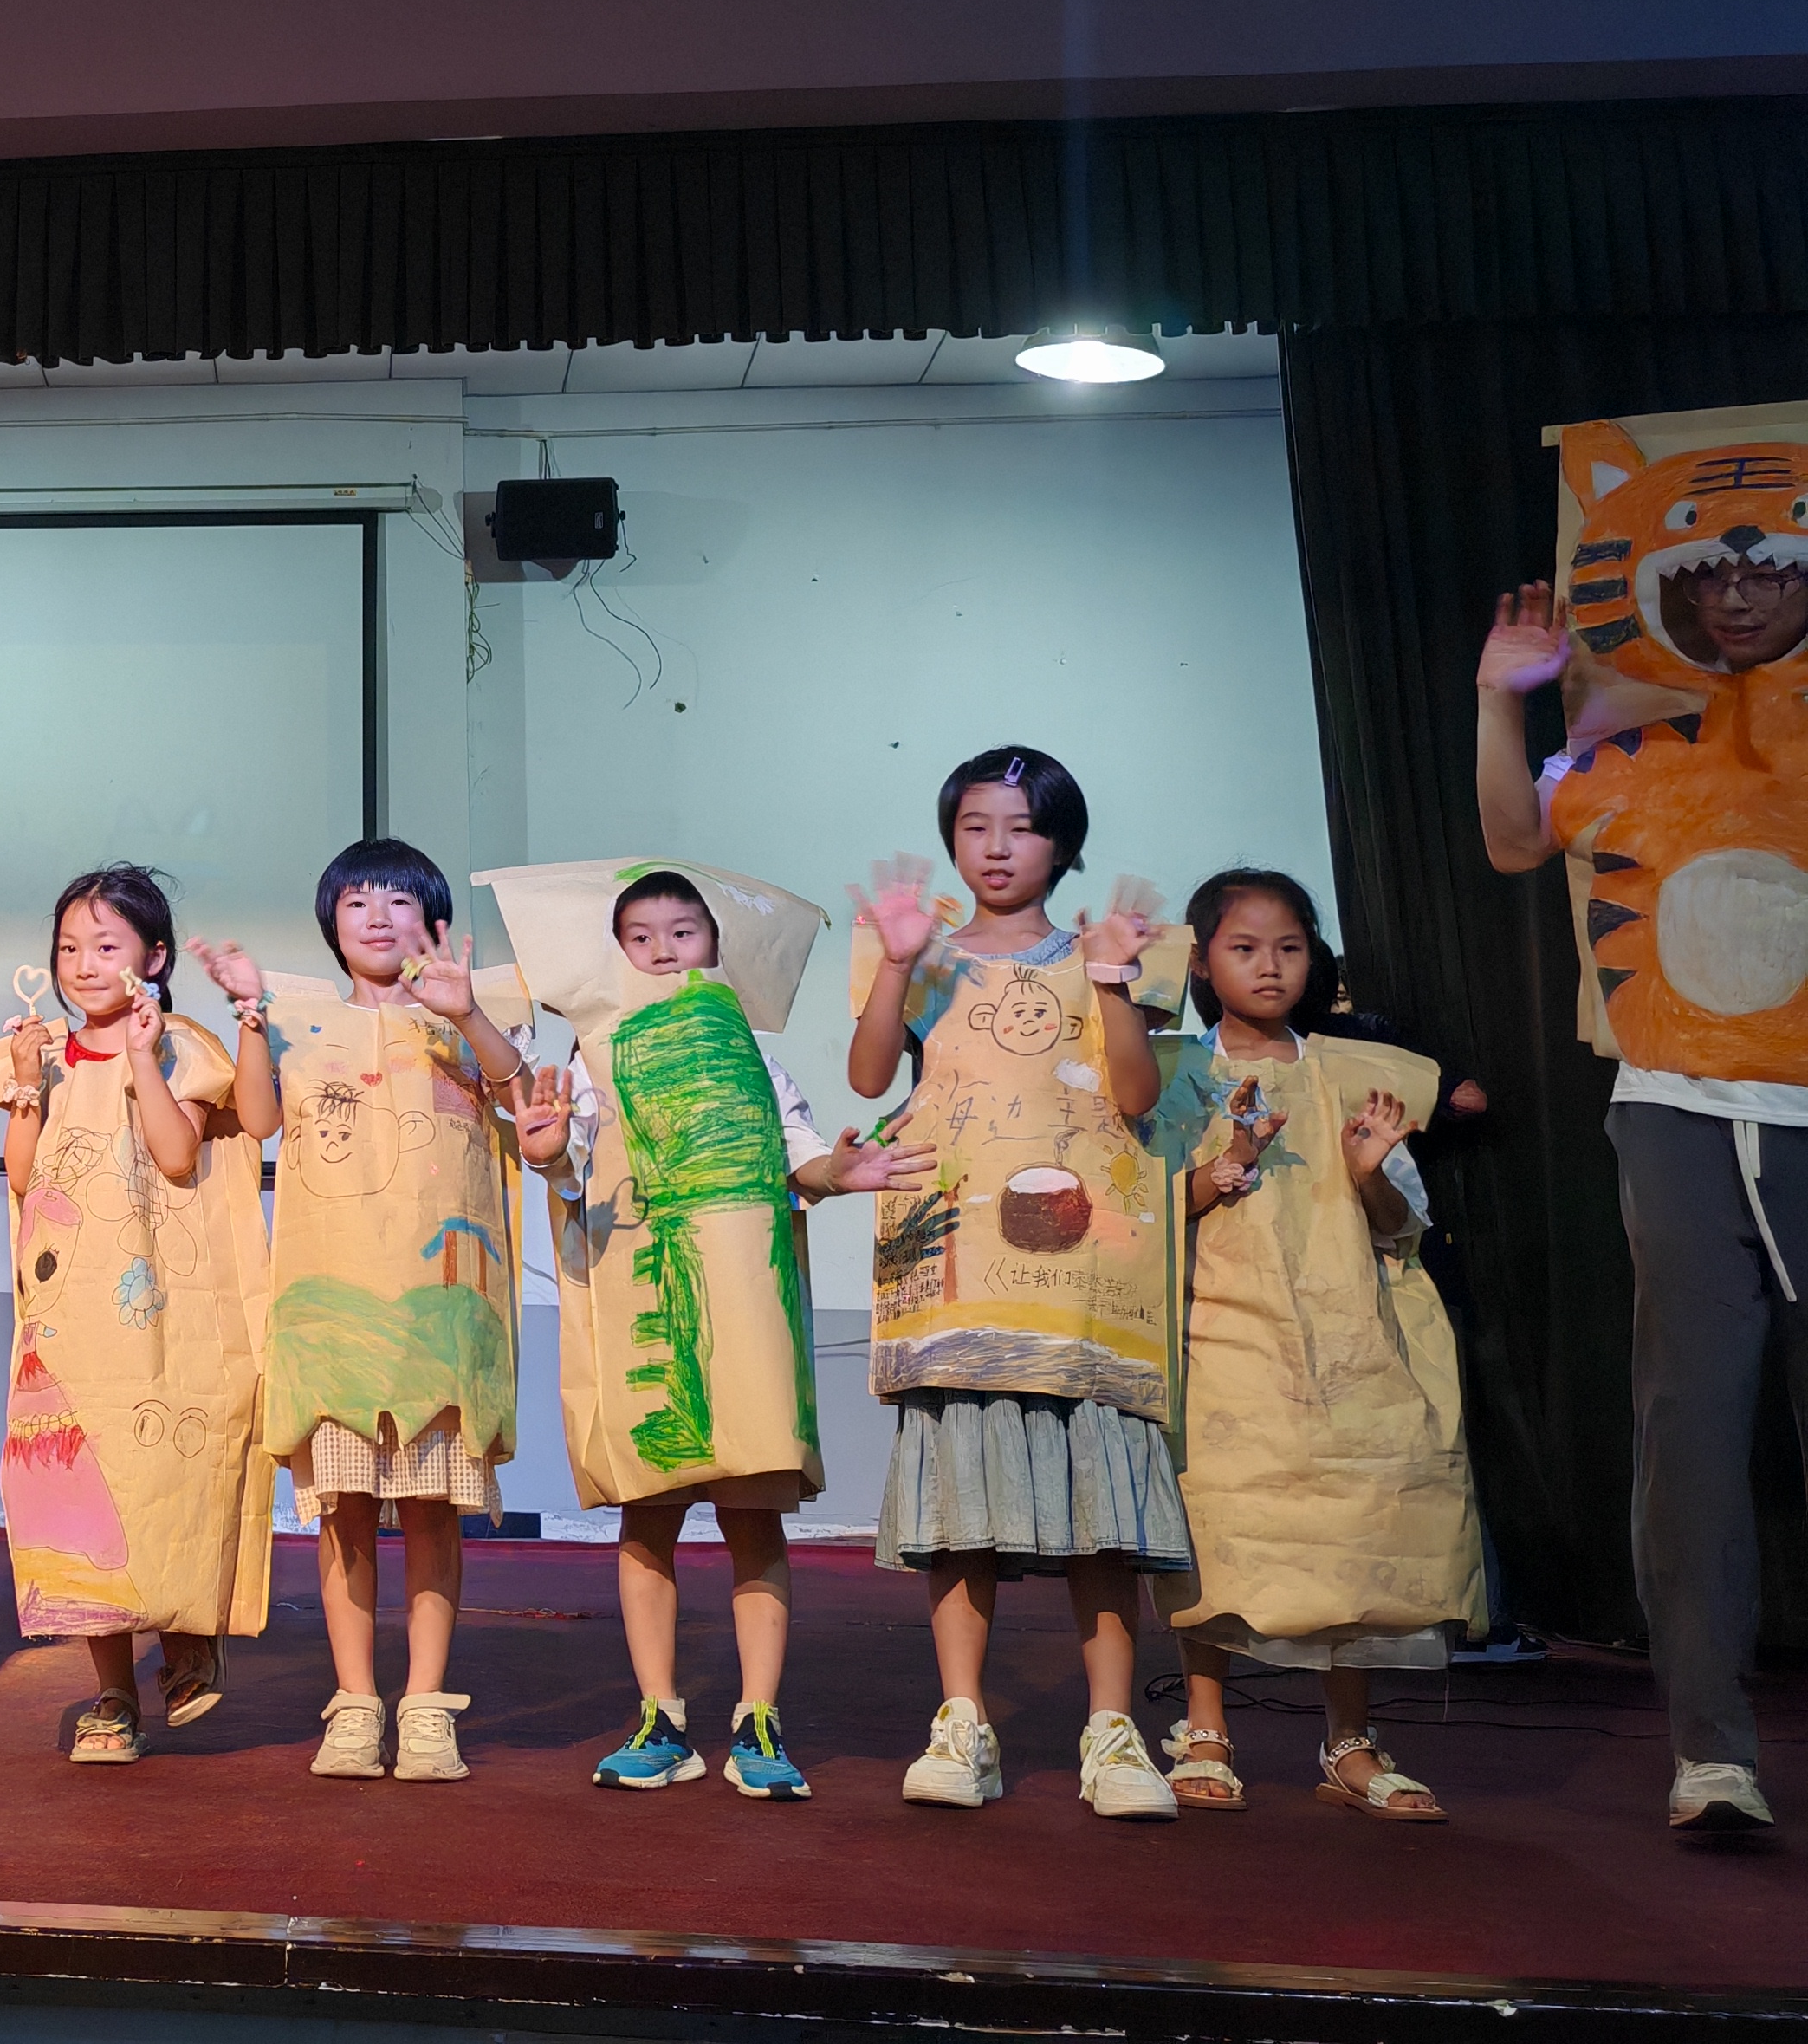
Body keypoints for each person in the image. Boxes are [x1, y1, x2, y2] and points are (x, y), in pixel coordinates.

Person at [1475, 412, 1808, 1832]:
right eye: (1710, 573)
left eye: (1768, 569)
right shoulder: (1632, 741)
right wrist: (1501, 701)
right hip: (1675, 1108)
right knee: (1693, 1431)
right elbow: (1513, 838)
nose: (1738, 594)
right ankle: (1711, 1749)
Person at [503, 866, 930, 1801]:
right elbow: (568, 1160)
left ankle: (759, 1717)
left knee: (752, 1511)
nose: (662, 951)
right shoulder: (590, 1058)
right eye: (641, 937)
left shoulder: (751, 1055)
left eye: (682, 932)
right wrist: (545, 1149)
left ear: (714, 945)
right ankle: (658, 1715)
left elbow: (800, 1155)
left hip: (741, 1305)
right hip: (645, 1310)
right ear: (616, 954)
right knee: (647, 1513)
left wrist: (840, 1174)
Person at [846, 747, 1192, 1822]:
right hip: (956, 1263)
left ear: (1063, 843)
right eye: (975, 826)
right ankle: (962, 1722)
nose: (996, 848)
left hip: (1083, 1269)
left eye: (1023, 827)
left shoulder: (1109, 950)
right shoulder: (918, 951)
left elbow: (1134, 1094)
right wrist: (897, 963)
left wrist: (1111, 980)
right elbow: (868, 1076)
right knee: (959, 1504)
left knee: (1105, 1505)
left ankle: (1111, 1731)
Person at [1147, 868, 1482, 1823]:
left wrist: (1369, 1171)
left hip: (1345, 1328)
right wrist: (1225, 1165)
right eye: (1245, 949)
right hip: (1220, 1325)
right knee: (1219, 1517)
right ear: (1202, 961)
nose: (1269, 967)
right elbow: (1144, 1215)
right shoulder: (1173, 1076)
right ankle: (1204, 1726)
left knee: (1355, 1522)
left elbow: (1399, 1226)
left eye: (1289, 948)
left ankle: (1348, 1740)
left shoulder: (1349, 1071)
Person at [194, 836, 527, 1786]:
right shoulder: (297, 1022)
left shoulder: (469, 1011)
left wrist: (467, 1014)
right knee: (341, 1512)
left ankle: (425, 1706)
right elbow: (260, 1120)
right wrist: (249, 1013)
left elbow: (521, 1100)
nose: (377, 917)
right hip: (329, 1307)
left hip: (442, 1315)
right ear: (330, 925)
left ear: (433, 921)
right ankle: (353, 1702)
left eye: (397, 900)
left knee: (433, 1511)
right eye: (356, 903)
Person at [0, 866, 269, 1766]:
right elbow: (25, 1177)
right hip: (67, 1315)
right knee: (74, 1493)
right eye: (68, 947)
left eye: (105, 945)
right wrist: (25, 1086)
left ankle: (187, 1633)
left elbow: (177, 1154)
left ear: (154, 956)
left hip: (162, 1312)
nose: (82, 963)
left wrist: (142, 1057)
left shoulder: (181, 1044)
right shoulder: (46, 1054)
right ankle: (112, 1692)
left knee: (164, 1472)